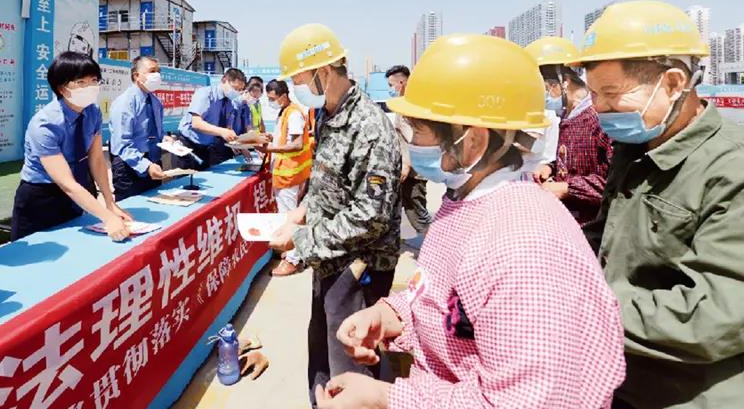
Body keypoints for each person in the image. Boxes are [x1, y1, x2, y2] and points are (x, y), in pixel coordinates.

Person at [315, 34, 625, 409]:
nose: (410, 141)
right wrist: (392, 315)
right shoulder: (465, 201)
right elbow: (447, 301)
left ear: (472, 141)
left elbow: (529, 401)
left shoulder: (525, 248)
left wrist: (386, 397)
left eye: (419, 129)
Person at [575, 0, 744, 409]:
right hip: (622, 380)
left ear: (672, 83)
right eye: (594, 94)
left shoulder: (731, 167)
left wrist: (579, 307)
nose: (599, 109)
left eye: (612, 93)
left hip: (688, 393)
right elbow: (609, 240)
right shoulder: (635, 149)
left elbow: (717, 313)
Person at [268, 23, 402, 408]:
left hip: (361, 265)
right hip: (329, 257)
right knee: (323, 345)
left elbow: (370, 215)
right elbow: (326, 179)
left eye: (299, 80)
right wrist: (299, 213)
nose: (297, 88)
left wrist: (301, 240)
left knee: (351, 363)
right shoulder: (327, 114)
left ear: (323, 72)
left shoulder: (370, 127)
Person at [11, 52, 132, 241]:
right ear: (62, 88)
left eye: (94, 80)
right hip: (42, 196)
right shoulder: (45, 124)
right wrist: (108, 218)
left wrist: (110, 203)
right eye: (81, 82)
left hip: (78, 192)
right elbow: (66, 183)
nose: (90, 87)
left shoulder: (93, 112)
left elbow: (96, 159)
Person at [526, 36, 614, 226]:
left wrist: (567, 188)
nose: (543, 96)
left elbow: (615, 183)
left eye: (546, 88)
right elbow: (571, 160)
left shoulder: (599, 118)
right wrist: (551, 167)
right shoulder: (568, 117)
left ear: (564, 82)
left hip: (596, 226)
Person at [262, 79, 312, 277]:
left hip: (289, 174)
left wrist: (271, 148)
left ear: (283, 96)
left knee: (290, 218)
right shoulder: (285, 111)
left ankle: (293, 259)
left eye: (272, 98)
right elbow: (285, 138)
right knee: (289, 215)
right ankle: (291, 252)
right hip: (287, 173)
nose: (270, 102)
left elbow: (297, 144)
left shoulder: (293, 114)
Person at [108, 56, 168, 200]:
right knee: (132, 211)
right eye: (152, 71)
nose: (157, 75)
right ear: (136, 76)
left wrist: (166, 139)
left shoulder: (155, 102)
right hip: (129, 165)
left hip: (153, 162)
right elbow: (122, 144)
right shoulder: (125, 102)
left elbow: (158, 132)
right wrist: (145, 166)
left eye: (158, 71)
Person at [385, 65, 431, 237]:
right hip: (408, 167)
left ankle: (436, 243)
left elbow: (414, 139)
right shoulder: (403, 103)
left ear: (401, 83)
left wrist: (406, 164)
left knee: (416, 210)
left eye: (391, 85)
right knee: (405, 206)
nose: (391, 89)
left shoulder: (413, 106)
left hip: (415, 169)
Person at [174, 68, 245, 170]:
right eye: (235, 88)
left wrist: (236, 144)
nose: (236, 92)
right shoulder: (205, 94)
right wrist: (222, 131)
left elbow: (228, 128)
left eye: (239, 90)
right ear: (224, 80)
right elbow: (196, 123)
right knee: (185, 178)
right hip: (187, 145)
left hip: (206, 147)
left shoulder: (230, 103)